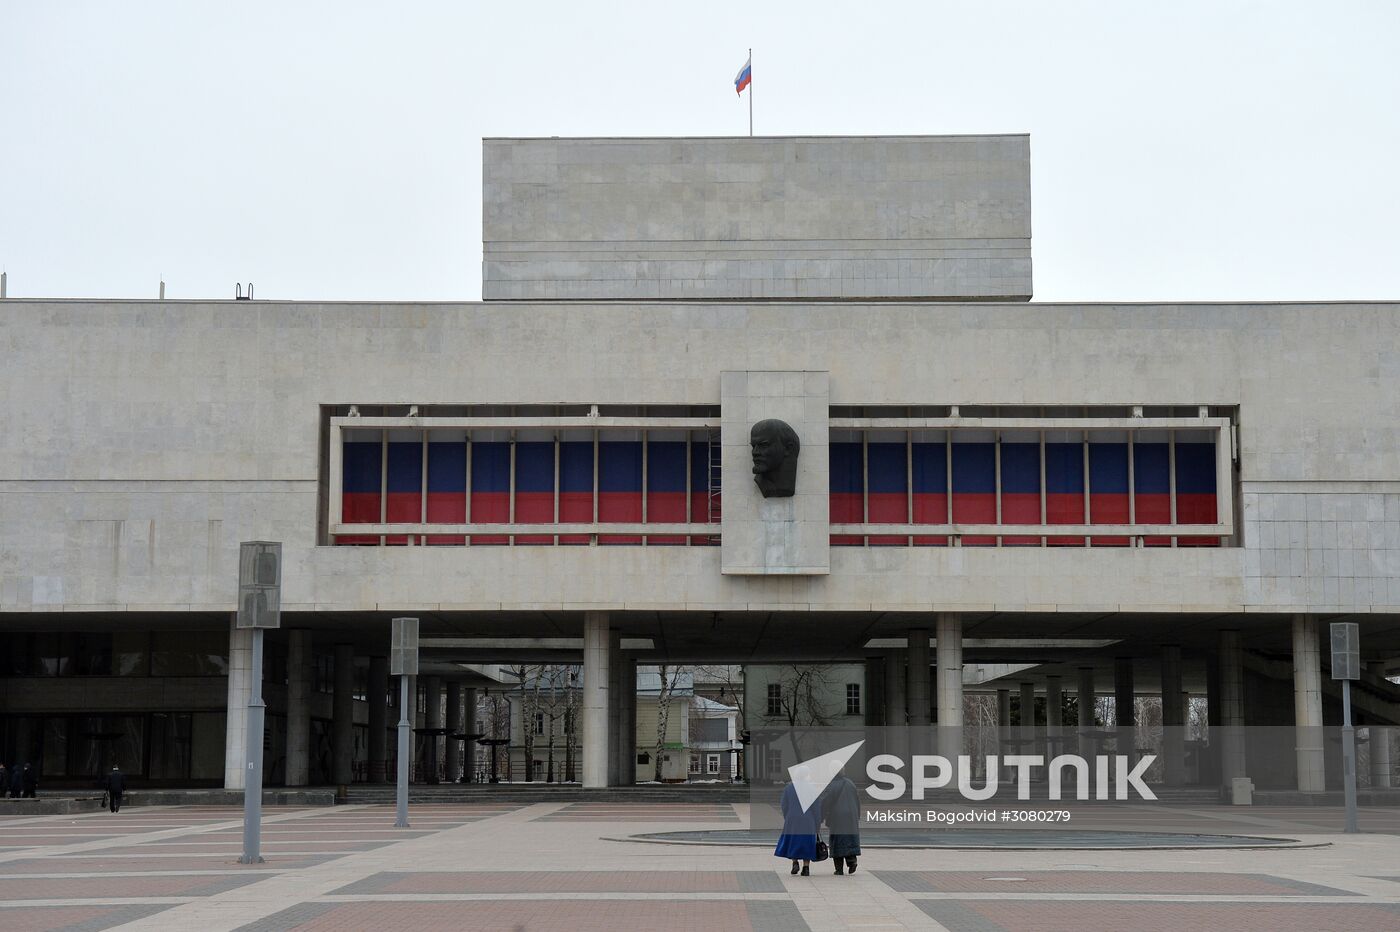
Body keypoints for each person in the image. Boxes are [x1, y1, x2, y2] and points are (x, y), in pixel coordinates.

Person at [774, 765, 821, 876]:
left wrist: (788, 816)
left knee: (793, 841)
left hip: (792, 819)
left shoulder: (789, 788)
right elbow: (816, 807)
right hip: (808, 819)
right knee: (807, 842)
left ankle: (795, 862)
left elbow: (784, 805)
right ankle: (806, 867)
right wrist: (817, 822)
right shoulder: (812, 788)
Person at [819, 760, 862, 875]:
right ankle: (852, 862)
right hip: (851, 816)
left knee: (837, 841)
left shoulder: (832, 785)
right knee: (849, 839)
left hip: (837, 817)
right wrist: (857, 815)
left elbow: (825, 802)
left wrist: (820, 817)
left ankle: (839, 869)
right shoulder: (850, 783)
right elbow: (857, 801)